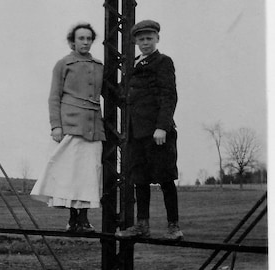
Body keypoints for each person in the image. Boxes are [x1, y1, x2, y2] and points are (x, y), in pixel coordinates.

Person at [30, 23, 105, 233]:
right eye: (81, 38)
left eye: (89, 38)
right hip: (70, 126)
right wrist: (56, 126)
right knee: (69, 174)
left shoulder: (99, 65)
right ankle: (73, 220)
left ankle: (84, 218)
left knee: (89, 174)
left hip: (93, 128)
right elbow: (54, 97)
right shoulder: (63, 64)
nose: (85, 42)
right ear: (73, 41)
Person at [115, 20, 184, 240]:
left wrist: (162, 127)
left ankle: (174, 227)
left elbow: (169, 95)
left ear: (157, 39)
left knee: (165, 179)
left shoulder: (163, 62)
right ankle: (142, 226)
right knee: (140, 180)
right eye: (141, 39)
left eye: (149, 38)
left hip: (157, 133)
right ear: (135, 41)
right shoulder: (134, 65)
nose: (145, 43)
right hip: (137, 133)